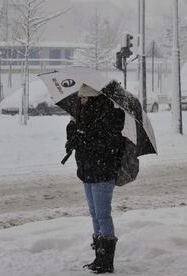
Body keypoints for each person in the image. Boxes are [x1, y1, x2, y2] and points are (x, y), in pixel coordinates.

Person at [66, 85, 125, 274]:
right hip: (87, 172)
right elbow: (82, 141)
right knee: (93, 213)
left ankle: (106, 260)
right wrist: (72, 136)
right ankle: (99, 255)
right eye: (80, 98)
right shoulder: (81, 117)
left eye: (84, 98)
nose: (81, 101)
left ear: (93, 99)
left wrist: (84, 140)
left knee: (102, 215)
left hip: (102, 173)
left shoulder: (109, 116)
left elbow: (108, 147)